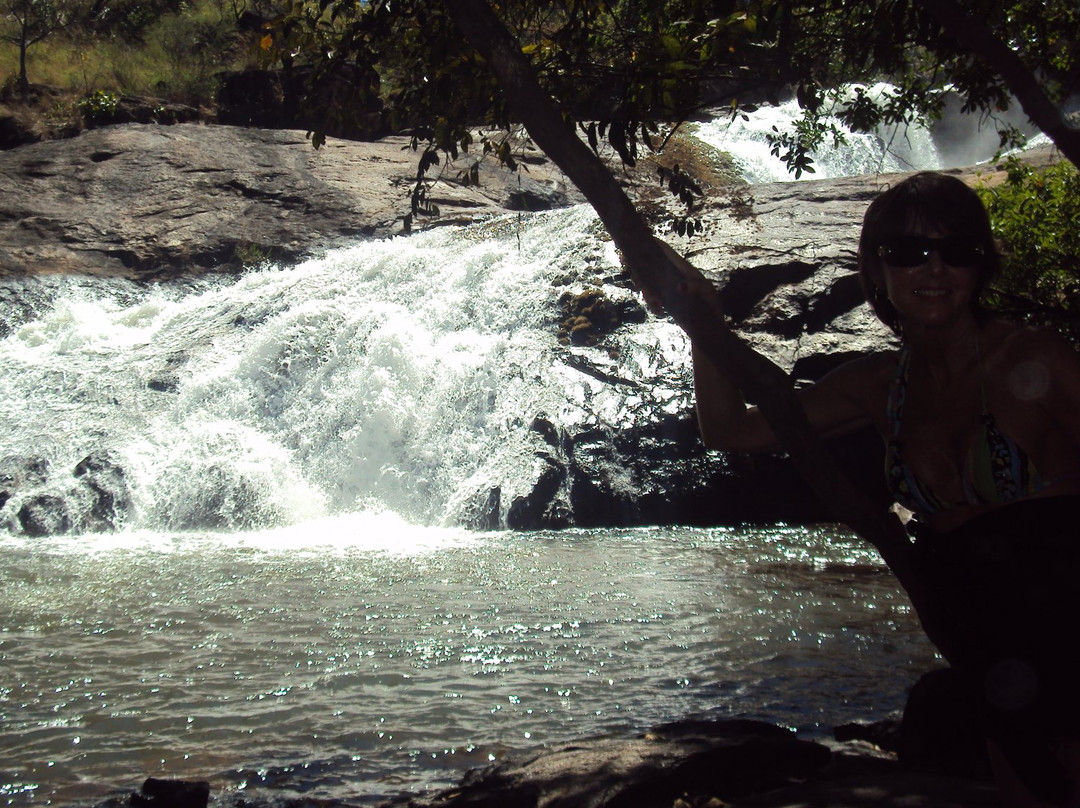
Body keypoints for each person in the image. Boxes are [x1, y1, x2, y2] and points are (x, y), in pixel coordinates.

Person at [649, 171, 1080, 807]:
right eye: (907, 253)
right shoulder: (880, 384)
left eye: (955, 251)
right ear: (875, 270)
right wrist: (702, 326)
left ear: (981, 264)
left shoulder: (1035, 358)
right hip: (978, 637)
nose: (933, 269)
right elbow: (734, 430)